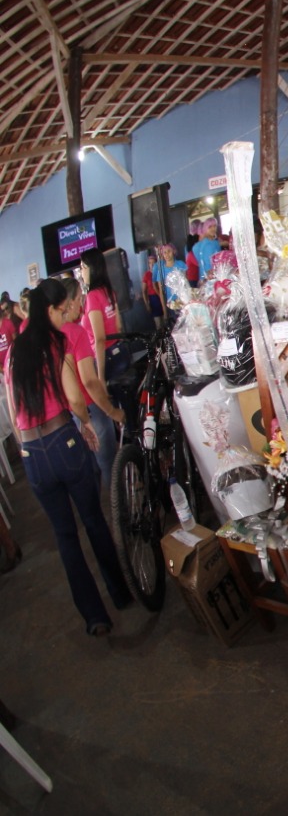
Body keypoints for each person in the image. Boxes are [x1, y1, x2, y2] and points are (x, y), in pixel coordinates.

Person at [5, 278, 132, 635]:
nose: (66, 317)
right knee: (93, 520)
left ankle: (94, 617)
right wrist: (86, 424)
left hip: (31, 453)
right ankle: (120, 593)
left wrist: (27, 447)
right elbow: (76, 398)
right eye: (63, 311)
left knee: (65, 536)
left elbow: (13, 413)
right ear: (50, 311)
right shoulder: (57, 343)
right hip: (63, 441)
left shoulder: (14, 353)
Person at [62, 277, 126, 489]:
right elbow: (89, 381)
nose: (81, 304)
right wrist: (111, 411)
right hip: (91, 406)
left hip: (69, 413)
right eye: (79, 299)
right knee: (108, 461)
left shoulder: (51, 335)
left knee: (89, 466)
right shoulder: (75, 332)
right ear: (69, 302)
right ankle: (119, 503)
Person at [78, 248, 120, 385]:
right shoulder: (108, 291)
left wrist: (100, 377)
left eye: (83, 267)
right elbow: (119, 327)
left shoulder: (92, 296)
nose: (81, 272)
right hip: (118, 352)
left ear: (92, 269)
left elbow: (100, 339)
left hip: (104, 359)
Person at [152, 243, 183, 314]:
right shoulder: (160, 269)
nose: (167, 254)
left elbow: (186, 283)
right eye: (164, 252)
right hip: (171, 303)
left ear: (173, 251)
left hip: (182, 300)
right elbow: (160, 290)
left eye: (169, 251)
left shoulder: (180, 264)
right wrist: (164, 310)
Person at [191, 219, 221, 283]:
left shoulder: (215, 242)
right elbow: (206, 264)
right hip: (209, 279)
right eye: (210, 227)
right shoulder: (206, 244)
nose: (213, 229)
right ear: (205, 229)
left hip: (216, 276)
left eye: (215, 226)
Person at [0, 293, 16, 373]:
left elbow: (15, 341)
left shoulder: (8, 323)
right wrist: (3, 370)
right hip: (2, 370)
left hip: (13, 362)